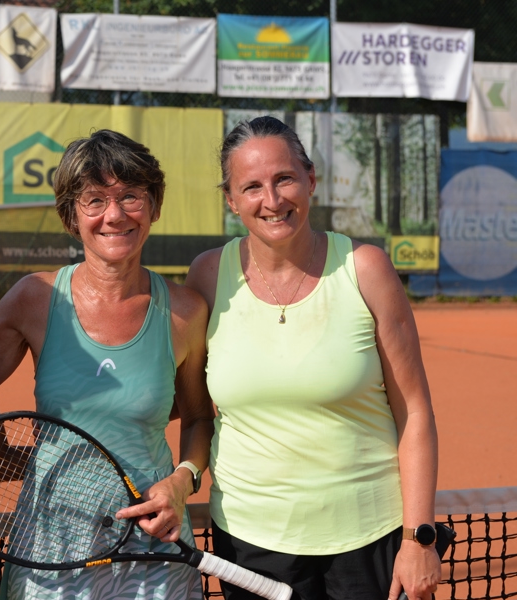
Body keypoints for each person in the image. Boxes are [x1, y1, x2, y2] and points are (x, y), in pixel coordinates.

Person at [184, 116, 440, 600]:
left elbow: (416, 411)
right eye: (252, 186)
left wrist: (418, 537)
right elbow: (189, 404)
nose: (273, 200)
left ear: (310, 180)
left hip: (370, 538)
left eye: (284, 179)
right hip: (248, 542)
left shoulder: (366, 268)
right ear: (231, 200)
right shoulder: (207, 275)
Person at [0, 130, 214, 600]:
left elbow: (199, 415)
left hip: (155, 541)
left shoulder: (186, 311)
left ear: (155, 206)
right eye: (94, 200)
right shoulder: (35, 298)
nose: (115, 215)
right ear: (70, 215)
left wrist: (182, 481)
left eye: (131, 197)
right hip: (50, 542)